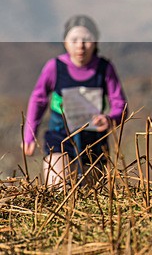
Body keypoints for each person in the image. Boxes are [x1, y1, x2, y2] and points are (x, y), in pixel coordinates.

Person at [23, 15, 127, 186]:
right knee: (58, 189)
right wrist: (29, 135)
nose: (80, 45)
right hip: (60, 138)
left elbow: (120, 104)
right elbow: (38, 99)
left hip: (94, 141)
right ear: (65, 42)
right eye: (74, 40)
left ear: (95, 42)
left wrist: (110, 119)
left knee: (91, 200)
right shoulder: (54, 67)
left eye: (86, 40)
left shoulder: (105, 68)